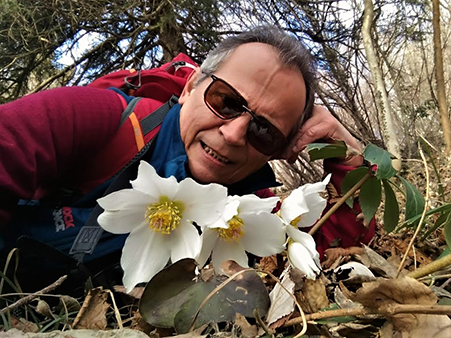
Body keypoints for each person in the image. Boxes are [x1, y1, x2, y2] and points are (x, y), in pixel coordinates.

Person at [0, 26, 374, 293]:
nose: (232, 134)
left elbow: (327, 248)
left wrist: (349, 159)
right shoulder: (104, 121)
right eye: (226, 101)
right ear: (191, 85)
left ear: (278, 150)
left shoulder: (248, 209)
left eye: (264, 130)